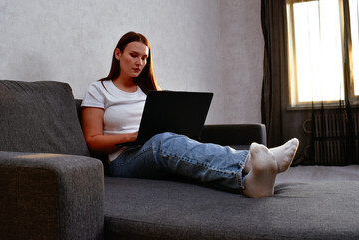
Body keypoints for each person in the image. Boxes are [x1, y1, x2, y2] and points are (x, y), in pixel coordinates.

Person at [81, 31, 299, 198]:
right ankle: (249, 161)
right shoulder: (99, 89)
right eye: (134, 55)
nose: (140, 63)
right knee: (161, 142)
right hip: (122, 161)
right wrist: (132, 137)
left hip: (154, 150)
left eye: (145, 58)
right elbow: (92, 141)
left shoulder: (149, 92)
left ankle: (250, 183)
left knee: (173, 143)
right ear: (118, 54)